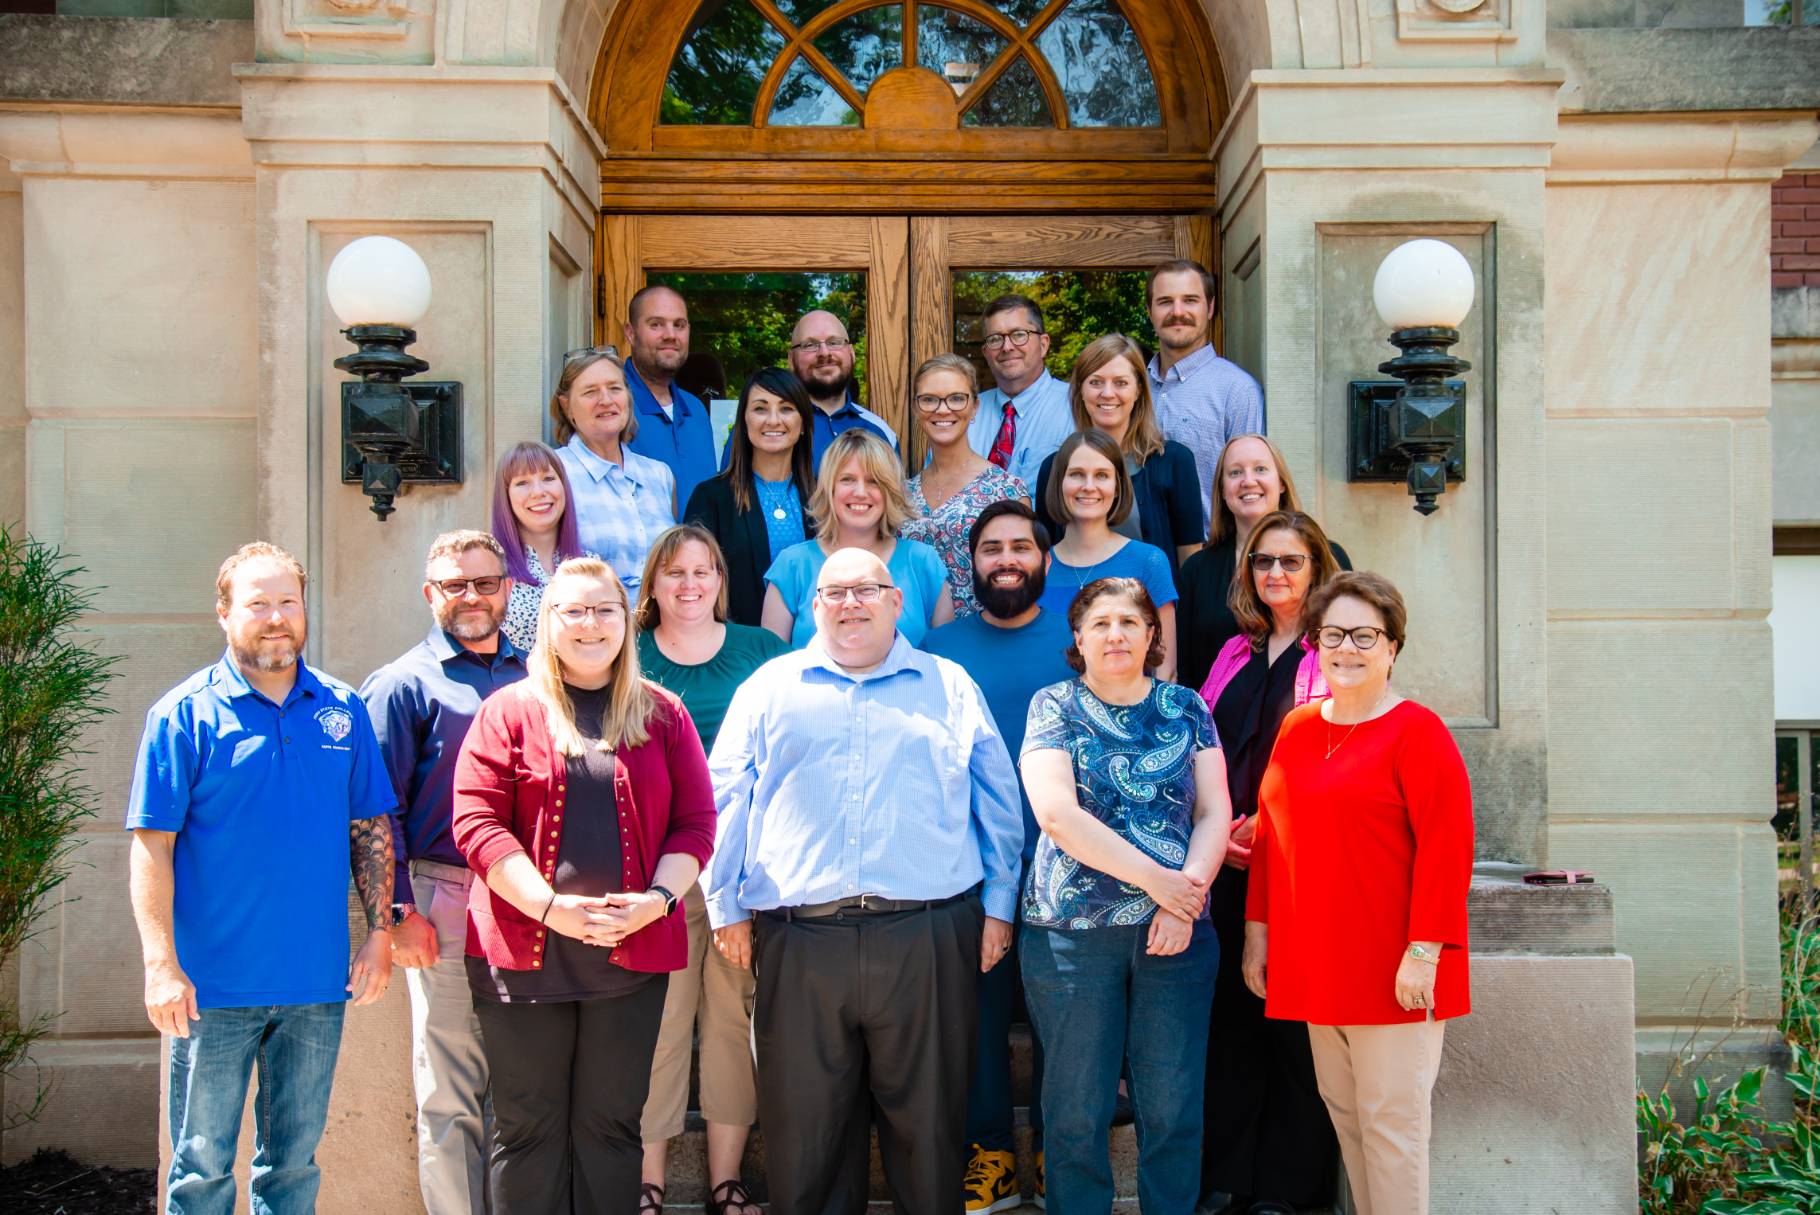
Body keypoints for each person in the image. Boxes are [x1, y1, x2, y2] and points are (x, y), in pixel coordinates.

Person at [704, 546, 1024, 1215]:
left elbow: (997, 798)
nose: (850, 602)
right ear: (813, 606)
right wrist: (725, 905)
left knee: (931, 1132)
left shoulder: (950, 684)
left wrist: (999, 906)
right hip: (800, 939)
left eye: (866, 588)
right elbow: (724, 798)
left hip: (928, 934)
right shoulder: (769, 687)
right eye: (834, 592)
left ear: (896, 600)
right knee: (805, 1139)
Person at [127, 542, 396, 1215]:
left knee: (293, 1167)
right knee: (200, 1169)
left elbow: (370, 829)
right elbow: (150, 847)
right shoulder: (182, 715)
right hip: (211, 989)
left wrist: (379, 932)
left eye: (287, 601)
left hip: (315, 984)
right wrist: (160, 963)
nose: (276, 616)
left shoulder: (342, 708)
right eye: (257, 602)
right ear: (224, 612)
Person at [451, 557, 716, 1214]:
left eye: (605, 609)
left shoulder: (663, 713)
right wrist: (548, 908)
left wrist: (656, 903)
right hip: (524, 958)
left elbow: (696, 825)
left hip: (628, 961)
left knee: (612, 1131)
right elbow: (476, 822)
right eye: (574, 609)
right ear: (547, 623)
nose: (591, 623)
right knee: (528, 1132)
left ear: (626, 622)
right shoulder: (506, 712)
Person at [1241, 572, 1473, 1215]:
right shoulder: (1298, 728)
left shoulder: (1418, 732)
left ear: (1392, 646)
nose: (1347, 648)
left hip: (1395, 971)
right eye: (1333, 634)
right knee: (1348, 1121)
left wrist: (1425, 951)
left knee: (1393, 1132)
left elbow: (1446, 851)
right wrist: (1257, 934)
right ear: (1315, 642)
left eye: (1365, 635)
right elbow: (1272, 840)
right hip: (1316, 965)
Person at [1019, 577, 1232, 1215]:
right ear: (1078, 639)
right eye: (1101, 623)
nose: (1116, 634)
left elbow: (1215, 810)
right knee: (1076, 1107)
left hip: (1179, 932)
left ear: (1151, 636)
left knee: (1172, 1104)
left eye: (1130, 623)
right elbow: (1057, 815)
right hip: (1072, 935)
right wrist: (1160, 883)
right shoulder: (1053, 705)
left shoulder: (1187, 707)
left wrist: (1180, 900)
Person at [359, 531, 528, 1215]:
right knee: (451, 1086)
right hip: (447, 895)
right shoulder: (402, 684)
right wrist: (398, 910)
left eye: (484, 582)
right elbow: (376, 811)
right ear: (430, 594)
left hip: (534, 901)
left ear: (508, 590)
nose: (471, 596)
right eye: (455, 585)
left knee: (522, 1084)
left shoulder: (540, 673)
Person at [923, 500, 1073, 1214]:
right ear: (970, 561)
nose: (1006, 558)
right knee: (976, 1011)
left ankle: (1053, 1147)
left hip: (1069, 863)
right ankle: (987, 1154)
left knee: (1060, 1011)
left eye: (1021, 545)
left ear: (1045, 558)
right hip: (969, 861)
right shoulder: (939, 646)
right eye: (991, 548)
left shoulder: (1079, 641)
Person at [632, 526, 788, 1215]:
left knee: (730, 1020)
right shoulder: (626, 655)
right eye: (674, 573)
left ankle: (726, 1182)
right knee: (660, 1024)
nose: (690, 584)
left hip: (740, 871)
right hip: (651, 874)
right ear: (653, 586)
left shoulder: (762, 652)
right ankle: (647, 1182)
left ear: (722, 579)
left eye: (703, 571)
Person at [1193, 511, 1344, 1215]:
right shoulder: (1231, 652)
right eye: (1263, 562)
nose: (1275, 573)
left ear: (1317, 569)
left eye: (1291, 560)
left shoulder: (1333, 655)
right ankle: (1231, 1177)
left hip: (1301, 867)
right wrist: (1217, 828)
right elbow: (1202, 748)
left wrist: (1272, 826)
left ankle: (1290, 1188)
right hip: (1225, 864)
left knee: (1294, 1032)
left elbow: (1341, 758)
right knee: (1230, 1024)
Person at [1175, 434, 1352, 694]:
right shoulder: (1197, 570)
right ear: (1222, 491)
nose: (1248, 481)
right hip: (1219, 727)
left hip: (1307, 718)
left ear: (1281, 482)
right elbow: (1185, 670)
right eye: (1235, 472)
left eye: (1260, 469)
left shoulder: (1327, 556)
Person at [1034, 333, 1204, 585]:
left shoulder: (1175, 461)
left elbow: (1189, 560)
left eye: (1120, 383)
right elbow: (1046, 560)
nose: (1107, 393)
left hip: (1152, 616)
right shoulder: (1055, 467)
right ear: (1080, 390)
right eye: (1096, 382)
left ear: (1138, 391)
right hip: (1071, 617)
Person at [761, 427, 953, 647]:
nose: (860, 492)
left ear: (889, 490)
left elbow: (945, 659)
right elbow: (771, 666)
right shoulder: (792, 565)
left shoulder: (922, 561)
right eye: (847, 479)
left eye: (873, 481)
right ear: (829, 488)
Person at [1035, 429, 1178, 679]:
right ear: (1059, 483)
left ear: (1118, 486)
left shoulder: (1148, 562)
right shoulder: (1035, 567)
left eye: (1102, 475)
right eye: (1077, 474)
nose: (1089, 486)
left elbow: (1165, 671)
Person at [683, 367, 816, 628]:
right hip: (736, 652)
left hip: (813, 652)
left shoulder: (824, 497)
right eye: (760, 408)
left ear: (803, 424)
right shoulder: (711, 498)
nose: (773, 420)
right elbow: (694, 585)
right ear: (744, 421)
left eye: (786, 408)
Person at [900, 353, 1028, 618]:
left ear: (975, 407)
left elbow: (1022, 576)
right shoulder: (901, 493)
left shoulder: (1005, 489)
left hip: (981, 638)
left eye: (957, 398)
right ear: (916, 409)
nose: (943, 409)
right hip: (911, 640)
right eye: (929, 399)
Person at [1145, 259, 1265, 529]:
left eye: (1190, 300)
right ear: (1149, 311)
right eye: (1165, 301)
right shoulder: (1132, 389)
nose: (1178, 312)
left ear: (1210, 308)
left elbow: (1252, 491)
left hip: (1208, 555)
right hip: (1139, 556)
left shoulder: (1237, 390)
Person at [552, 349, 677, 594]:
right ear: (566, 406)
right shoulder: (555, 472)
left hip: (661, 627)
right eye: (590, 392)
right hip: (593, 626)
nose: (606, 400)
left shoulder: (659, 475)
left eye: (615, 388)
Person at [490, 440, 594, 654]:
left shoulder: (593, 567)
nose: (538, 492)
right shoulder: (489, 572)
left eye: (548, 479)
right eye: (522, 483)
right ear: (505, 496)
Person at [622, 285, 718, 510]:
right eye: (656, 324)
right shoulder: (611, 406)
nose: (670, 335)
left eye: (679, 325)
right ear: (630, 332)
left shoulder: (695, 410)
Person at [968, 294, 1074, 490]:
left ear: (1043, 344)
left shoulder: (1076, 405)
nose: (1007, 347)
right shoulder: (966, 413)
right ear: (985, 353)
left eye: (1018, 334)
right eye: (995, 338)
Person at [787, 308, 899, 468]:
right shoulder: (773, 427)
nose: (824, 353)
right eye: (810, 345)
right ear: (791, 359)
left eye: (834, 342)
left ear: (852, 353)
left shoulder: (880, 431)